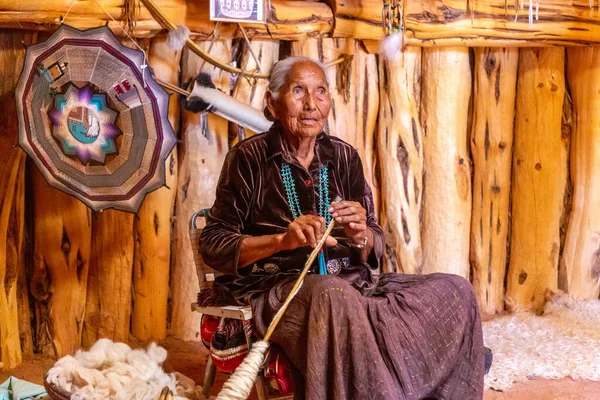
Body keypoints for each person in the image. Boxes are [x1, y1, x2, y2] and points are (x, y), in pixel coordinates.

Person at [200, 56, 485, 400]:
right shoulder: (247, 159)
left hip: (353, 286)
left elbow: (375, 239)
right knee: (331, 295)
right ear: (272, 104)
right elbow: (214, 244)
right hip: (281, 293)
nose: (311, 104)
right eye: (298, 91)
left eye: (321, 92)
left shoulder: (344, 157)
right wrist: (280, 241)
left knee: (455, 290)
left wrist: (360, 234)